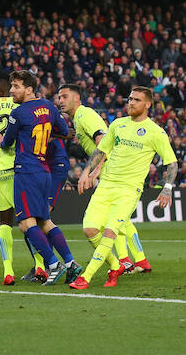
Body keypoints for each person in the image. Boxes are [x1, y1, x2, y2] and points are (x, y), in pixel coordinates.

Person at [70, 86, 178, 289]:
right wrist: (87, 173)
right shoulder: (117, 124)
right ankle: (116, 265)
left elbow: (171, 163)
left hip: (129, 190)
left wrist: (167, 188)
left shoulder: (156, 132)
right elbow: (101, 151)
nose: (131, 103)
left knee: (111, 232)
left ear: (147, 104)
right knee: (89, 229)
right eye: (129, 99)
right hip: (106, 186)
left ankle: (86, 276)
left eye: (136, 100)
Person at [0, 70, 75, 286]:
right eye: (11, 86)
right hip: (44, 171)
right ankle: (71, 263)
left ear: (29, 89)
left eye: (16, 87)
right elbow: (64, 130)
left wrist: (1, 140)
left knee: (26, 223)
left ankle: (53, 264)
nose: (11, 91)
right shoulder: (49, 106)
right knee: (44, 221)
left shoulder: (18, 113)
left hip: (26, 171)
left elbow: (8, 143)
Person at [58, 84, 143, 273]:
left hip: (109, 168)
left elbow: (102, 140)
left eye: (64, 96)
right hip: (109, 167)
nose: (60, 101)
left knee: (109, 220)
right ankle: (135, 260)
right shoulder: (78, 118)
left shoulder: (83, 115)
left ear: (77, 98)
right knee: (117, 218)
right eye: (59, 97)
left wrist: (92, 171)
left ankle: (127, 261)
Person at [0, 72, 42, 286]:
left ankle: (8, 271)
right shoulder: (22, 106)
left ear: (2, 88)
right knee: (31, 218)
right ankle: (41, 266)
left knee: (5, 222)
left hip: (0, 168)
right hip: (23, 166)